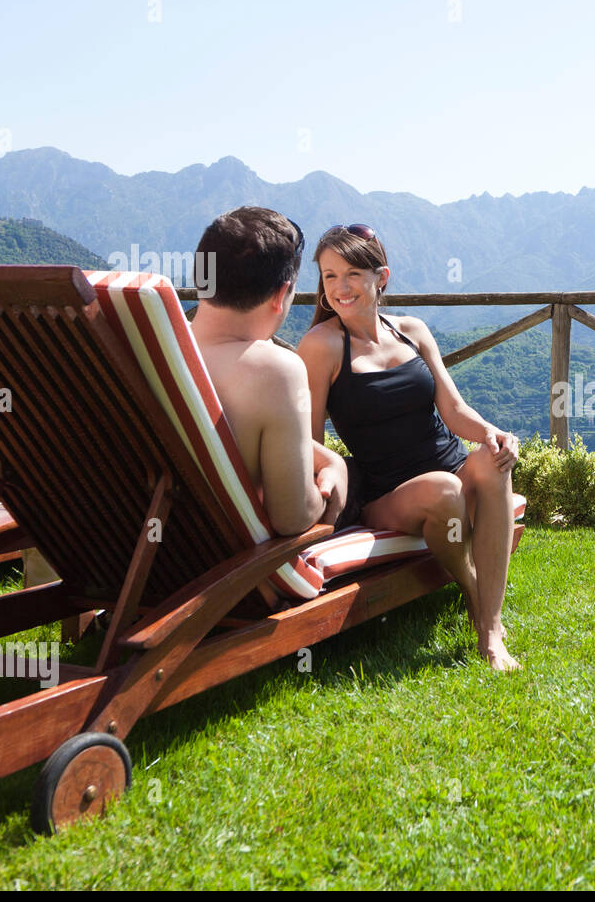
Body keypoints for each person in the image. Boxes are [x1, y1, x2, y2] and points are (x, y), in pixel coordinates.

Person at [296, 223, 521, 671]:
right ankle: (484, 617)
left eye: (352, 274)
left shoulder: (411, 331)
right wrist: (318, 496)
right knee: (443, 490)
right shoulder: (321, 346)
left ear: (382, 277)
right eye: (329, 276)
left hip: (451, 469)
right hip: (388, 495)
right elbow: (310, 439)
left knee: (493, 464)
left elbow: (455, 410)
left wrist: (494, 435)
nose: (340, 288)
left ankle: (490, 624)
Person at [190, 206, 348, 536]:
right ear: (280, 295)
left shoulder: (151, 344)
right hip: (225, 572)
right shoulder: (274, 371)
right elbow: (291, 518)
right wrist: (338, 473)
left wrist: (318, 454)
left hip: (132, 557)